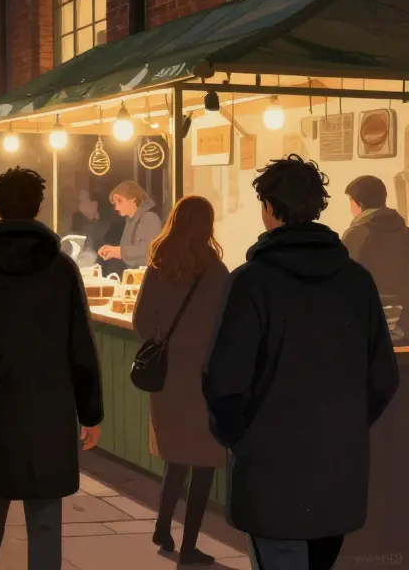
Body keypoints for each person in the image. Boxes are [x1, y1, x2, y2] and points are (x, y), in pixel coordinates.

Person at [203, 155, 399, 570]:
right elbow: (383, 376)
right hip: (338, 468)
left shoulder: (251, 281)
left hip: (269, 468)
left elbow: (223, 379)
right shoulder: (356, 281)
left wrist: (240, 438)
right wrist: (345, 426)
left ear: (269, 208)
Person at [0, 167, 103, 570]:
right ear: (38, 207)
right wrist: (90, 412)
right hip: (49, 410)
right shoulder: (61, 268)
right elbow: (80, 345)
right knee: (44, 522)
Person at [132, 196, 229, 565]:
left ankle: (162, 526)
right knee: (202, 463)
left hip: (169, 378)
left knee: (176, 458)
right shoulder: (217, 272)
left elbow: (142, 324)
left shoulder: (158, 267)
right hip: (205, 378)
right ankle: (189, 546)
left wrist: (165, 338)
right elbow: (228, 326)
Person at [342, 175, 409, 308]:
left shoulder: (356, 234)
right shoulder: (405, 231)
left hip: (367, 310)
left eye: (350, 200)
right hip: (404, 310)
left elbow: (343, 279)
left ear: (360, 203)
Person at [98, 180, 162, 269]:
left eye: (120, 201)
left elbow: (150, 250)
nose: (116, 207)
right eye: (115, 203)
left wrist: (119, 251)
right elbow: (130, 254)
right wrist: (114, 253)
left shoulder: (150, 218)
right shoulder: (130, 220)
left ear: (134, 200)